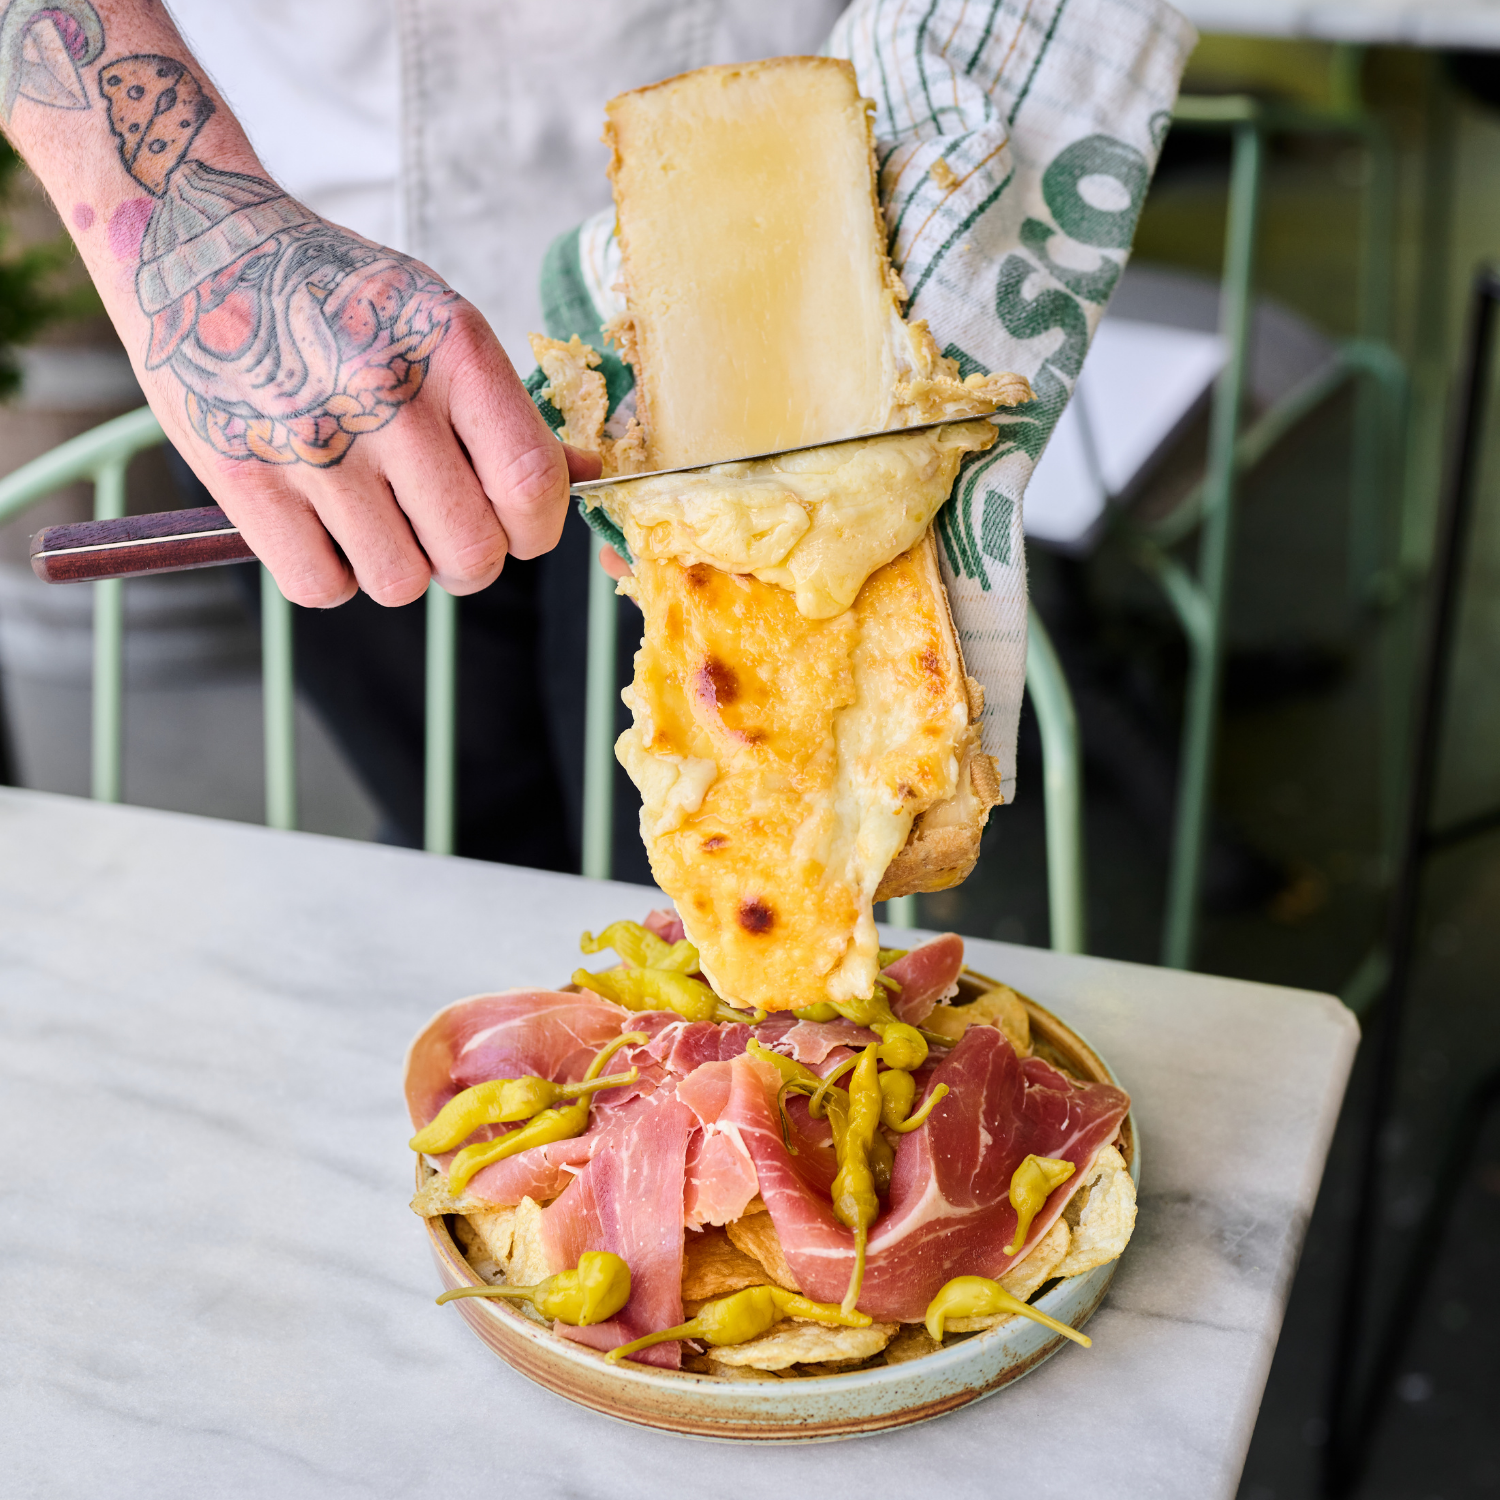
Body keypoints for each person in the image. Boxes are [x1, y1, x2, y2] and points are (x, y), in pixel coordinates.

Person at [0, 0, 843, 871]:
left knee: (720, 872)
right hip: (304, 368)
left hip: (749, 306)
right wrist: (210, 248)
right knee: (468, 857)